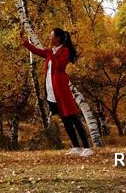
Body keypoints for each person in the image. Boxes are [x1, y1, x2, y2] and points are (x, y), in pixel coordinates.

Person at [20, 27, 93, 157]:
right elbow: (36, 51)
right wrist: (26, 42)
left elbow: (59, 66)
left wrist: (52, 54)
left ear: (58, 38)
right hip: (52, 91)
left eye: (52, 36)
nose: (50, 38)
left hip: (62, 90)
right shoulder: (50, 52)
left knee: (73, 117)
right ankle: (76, 146)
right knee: (65, 118)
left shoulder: (65, 51)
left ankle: (87, 148)